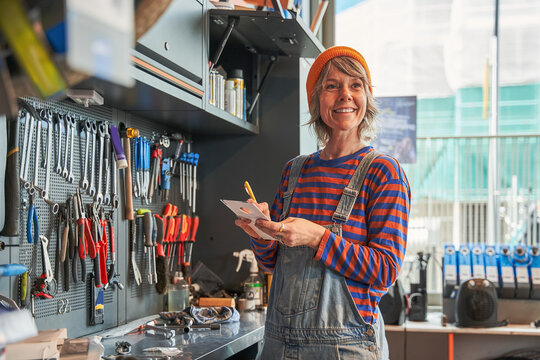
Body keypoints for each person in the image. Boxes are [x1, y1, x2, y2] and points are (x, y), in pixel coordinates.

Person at [235, 46, 411, 360]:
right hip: (278, 343)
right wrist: (261, 232)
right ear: (316, 100)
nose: (345, 94)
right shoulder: (295, 171)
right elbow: (273, 263)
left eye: (355, 85)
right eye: (332, 86)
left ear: (366, 97)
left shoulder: (383, 172)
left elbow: (385, 269)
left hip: (346, 347)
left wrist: (317, 237)